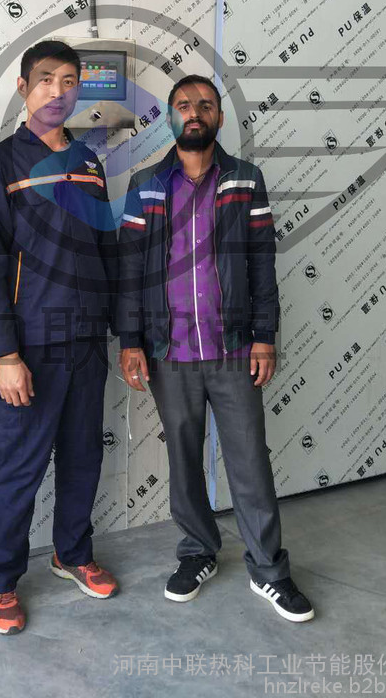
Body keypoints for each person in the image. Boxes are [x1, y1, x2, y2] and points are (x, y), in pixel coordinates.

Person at [117, 74, 314, 622]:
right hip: (169, 352)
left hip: (232, 349)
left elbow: (261, 264)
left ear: (219, 118)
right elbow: (130, 270)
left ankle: (269, 569)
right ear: (171, 118)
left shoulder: (245, 181)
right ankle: (198, 552)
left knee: (249, 459)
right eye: (184, 105)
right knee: (183, 459)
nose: (195, 113)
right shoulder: (145, 185)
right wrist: (130, 341)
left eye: (205, 105)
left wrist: (265, 337)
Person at [0, 39, 119, 635]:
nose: (58, 91)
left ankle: (71, 553)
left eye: (69, 81)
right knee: (18, 466)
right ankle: (0, 580)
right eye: (46, 80)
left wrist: (123, 330)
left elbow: (106, 249)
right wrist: (5, 354)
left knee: (83, 455)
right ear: (24, 89)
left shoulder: (89, 163)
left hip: (87, 340)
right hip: (31, 345)